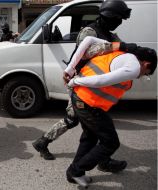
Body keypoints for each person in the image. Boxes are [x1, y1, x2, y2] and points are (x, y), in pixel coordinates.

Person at [32, 0, 134, 165]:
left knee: (89, 121)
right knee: (77, 119)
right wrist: (117, 47)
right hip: (81, 83)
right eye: (118, 19)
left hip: (98, 85)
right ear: (109, 16)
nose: (119, 23)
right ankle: (45, 143)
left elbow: (118, 51)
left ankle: (100, 158)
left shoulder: (111, 35)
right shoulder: (89, 32)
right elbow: (85, 54)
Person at [63, 36, 157, 188]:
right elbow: (101, 81)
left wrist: (70, 68)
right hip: (88, 102)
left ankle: (76, 173)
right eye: (146, 73)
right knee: (110, 142)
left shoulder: (120, 50)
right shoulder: (134, 67)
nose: (142, 76)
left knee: (90, 137)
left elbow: (88, 40)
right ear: (146, 64)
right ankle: (75, 171)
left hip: (81, 98)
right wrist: (75, 81)